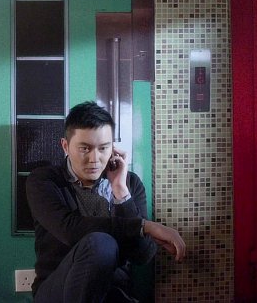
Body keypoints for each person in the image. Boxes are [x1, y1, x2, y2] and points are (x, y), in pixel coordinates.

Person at [26, 101, 186, 302]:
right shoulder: (44, 181)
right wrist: (144, 226)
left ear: (113, 148)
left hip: (112, 291)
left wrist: (120, 191)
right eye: (84, 148)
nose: (94, 159)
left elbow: (143, 255)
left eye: (103, 148)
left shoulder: (130, 183)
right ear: (65, 146)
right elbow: (70, 230)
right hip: (57, 291)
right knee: (101, 243)